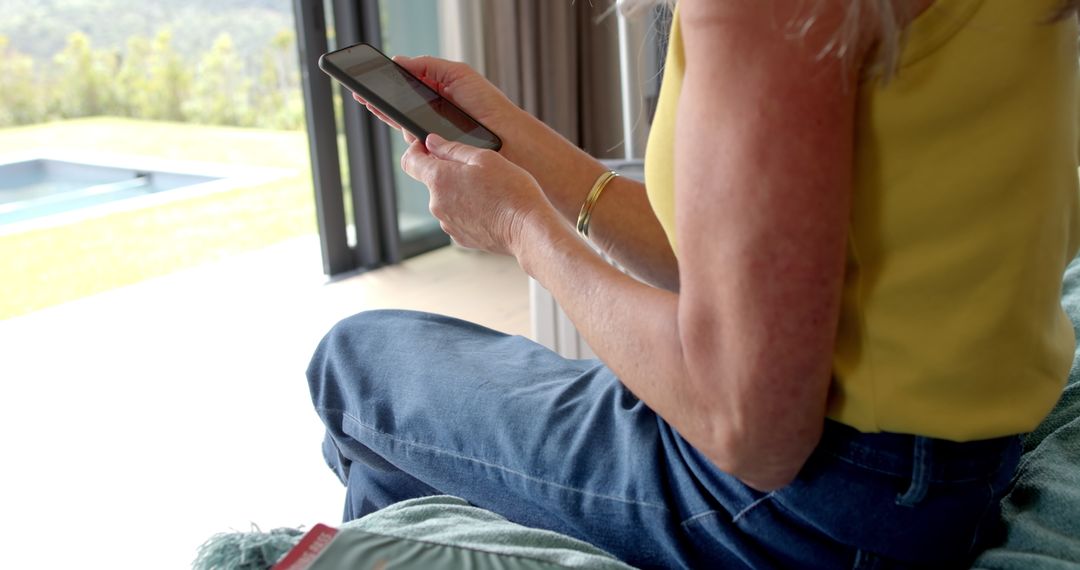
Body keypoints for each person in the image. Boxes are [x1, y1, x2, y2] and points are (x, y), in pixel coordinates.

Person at [307, 0, 1080, 567]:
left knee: (358, 363)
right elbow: (771, 267)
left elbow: (749, 428)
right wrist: (520, 147)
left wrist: (519, 230)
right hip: (943, 472)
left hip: (824, 507)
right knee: (401, 448)